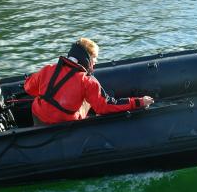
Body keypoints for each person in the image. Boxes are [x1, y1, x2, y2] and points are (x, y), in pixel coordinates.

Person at [24, 38, 154, 126]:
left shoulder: (48, 69)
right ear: (86, 58)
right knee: (92, 100)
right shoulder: (86, 81)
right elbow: (105, 106)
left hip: (38, 118)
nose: (95, 62)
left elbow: (28, 88)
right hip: (62, 124)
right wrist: (138, 102)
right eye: (94, 58)